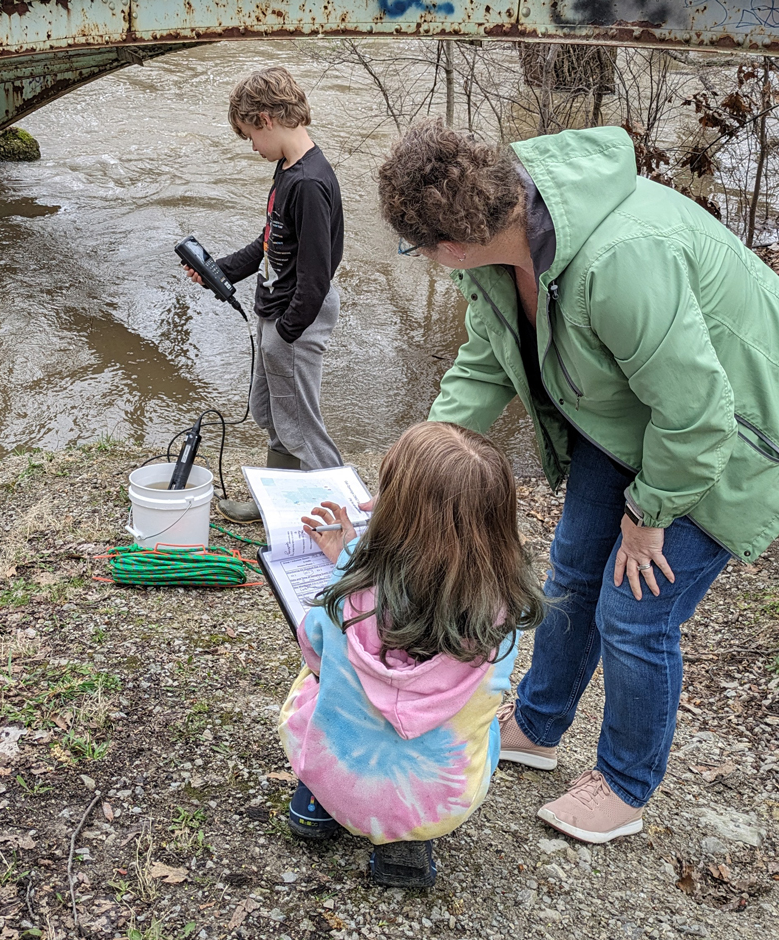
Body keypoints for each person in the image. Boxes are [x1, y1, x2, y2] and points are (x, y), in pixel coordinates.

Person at [377, 119, 779, 844]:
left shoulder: (620, 261)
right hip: (627, 414)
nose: (426, 259)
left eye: (418, 248)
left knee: (635, 610)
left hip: (731, 434)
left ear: (452, 244)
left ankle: (625, 786)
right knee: (570, 573)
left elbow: (699, 414)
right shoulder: (497, 247)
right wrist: (421, 461)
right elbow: (486, 363)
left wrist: (650, 513)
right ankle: (537, 723)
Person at [278, 421, 547, 887]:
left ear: (392, 512)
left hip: (340, 773)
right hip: (442, 798)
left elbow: (317, 651)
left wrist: (347, 558)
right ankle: (404, 849)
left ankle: (315, 810)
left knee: (315, 677)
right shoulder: (503, 616)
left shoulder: (346, 596)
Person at [183, 65, 344, 523]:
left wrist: (287, 332)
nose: (252, 146)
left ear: (267, 118)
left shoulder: (310, 183)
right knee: (270, 410)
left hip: (298, 315)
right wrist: (222, 271)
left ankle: (344, 514)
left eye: (249, 134)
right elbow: (270, 241)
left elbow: (317, 274)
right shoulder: (288, 170)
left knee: (302, 426)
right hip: (277, 308)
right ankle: (279, 501)